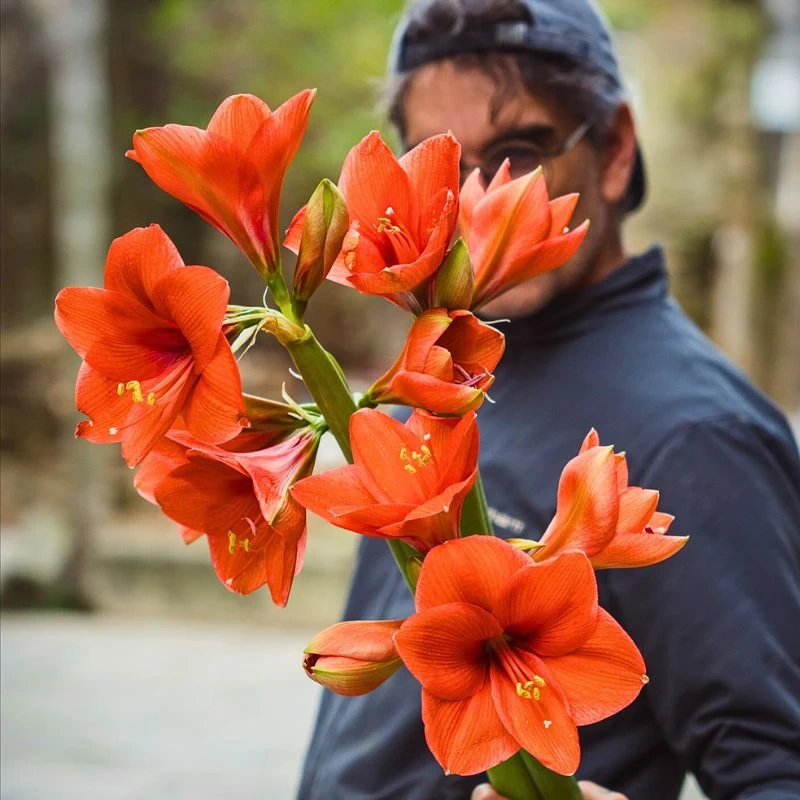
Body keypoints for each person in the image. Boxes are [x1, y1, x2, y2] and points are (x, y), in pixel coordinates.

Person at [296, 1, 800, 798]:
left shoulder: (700, 432)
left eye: (520, 151)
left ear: (615, 150)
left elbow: (777, 770)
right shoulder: (432, 375)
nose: (472, 202)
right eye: (442, 165)